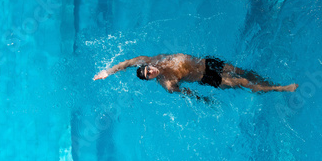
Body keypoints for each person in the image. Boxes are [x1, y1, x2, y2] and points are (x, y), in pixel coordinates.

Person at [93, 54, 298, 100]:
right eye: (148, 75)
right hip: (206, 78)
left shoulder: (154, 59)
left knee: (242, 71)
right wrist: (203, 100)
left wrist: (107, 72)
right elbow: (186, 93)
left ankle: (265, 81)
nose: (151, 71)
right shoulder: (167, 83)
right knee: (242, 83)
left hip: (206, 63)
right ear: (150, 79)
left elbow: (126, 64)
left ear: (148, 65)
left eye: (148, 69)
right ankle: (279, 89)